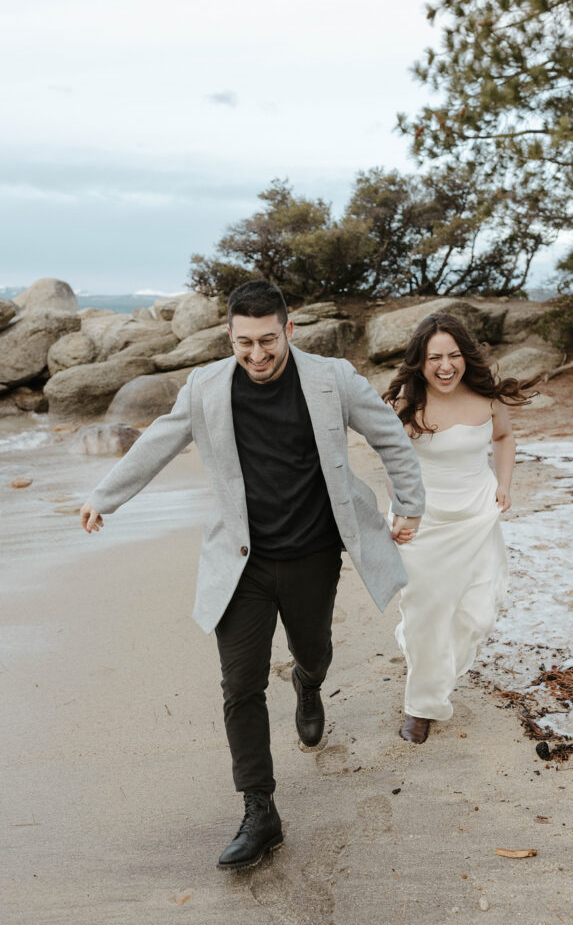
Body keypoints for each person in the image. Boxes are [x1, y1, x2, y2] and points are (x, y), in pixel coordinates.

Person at [79, 281, 424, 869]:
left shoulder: (332, 377)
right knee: (240, 685)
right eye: (245, 342)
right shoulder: (207, 385)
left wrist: (409, 502)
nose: (257, 354)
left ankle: (310, 683)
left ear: (289, 330)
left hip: (315, 553)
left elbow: (387, 433)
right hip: (240, 561)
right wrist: (105, 496)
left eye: (268, 340)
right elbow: (160, 438)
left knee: (312, 649)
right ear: (228, 336)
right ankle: (260, 809)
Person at [383, 312, 532, 745]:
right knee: (427, 612)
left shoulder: (487, 399)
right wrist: (400, 510)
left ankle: (431, 667)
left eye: (453, 355)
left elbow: (503, 439)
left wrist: (504, 484)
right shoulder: (406, 405)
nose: (445, 366)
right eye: (434, 358)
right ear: (420, 361)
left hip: (476, 517)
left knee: (474, 611)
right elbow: (394, 463)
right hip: (423, 522)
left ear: (466, 356)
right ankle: (421, 707)